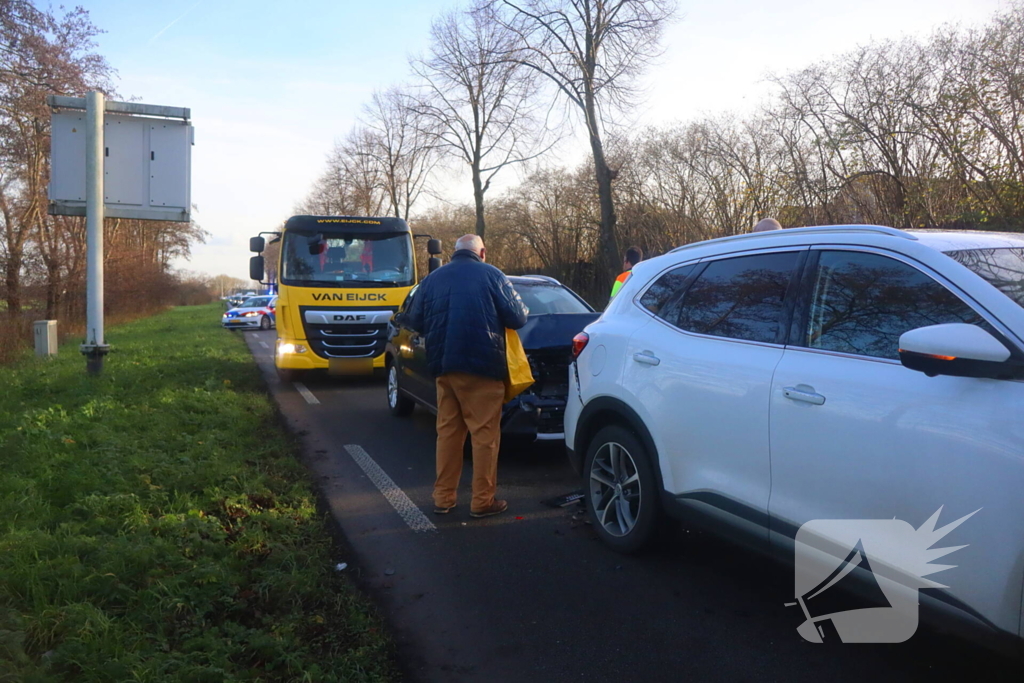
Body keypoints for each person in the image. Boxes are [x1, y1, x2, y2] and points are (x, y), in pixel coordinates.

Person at [404, 234, 529, 518]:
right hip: (483, 367)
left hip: (444, 366)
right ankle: (482, 501)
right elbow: (518, 318)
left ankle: (443, 498)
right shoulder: (493, 275)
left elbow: (414, 320)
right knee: (484, 436)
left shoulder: (433, 279)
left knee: (448, 433)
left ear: (454, 253)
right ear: (481, 252)